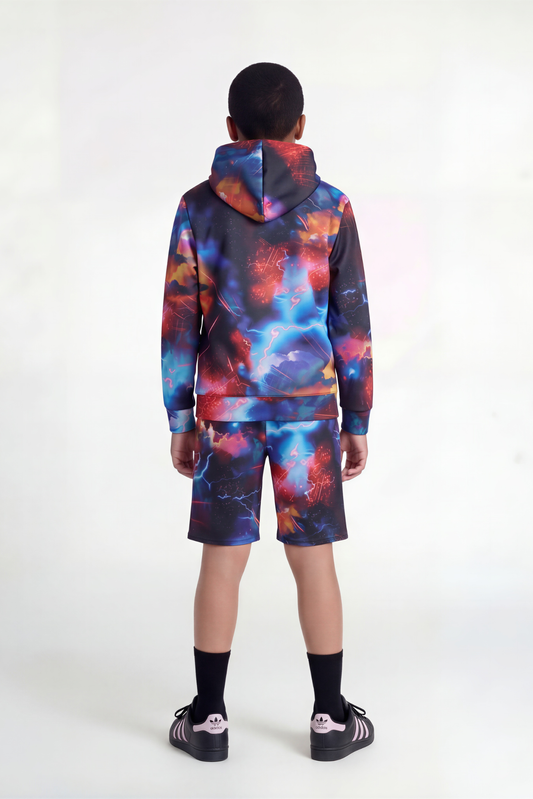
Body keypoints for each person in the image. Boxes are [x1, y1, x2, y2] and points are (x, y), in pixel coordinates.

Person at [161, 62, 374, 762]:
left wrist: (181, 418)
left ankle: (209, 719)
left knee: (222, 563)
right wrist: (356, 418)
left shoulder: (197, 207)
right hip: (308, 414)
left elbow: (178, 322)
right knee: (314, 562)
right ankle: (330, 718)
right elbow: (351, 322)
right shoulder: (331, 207)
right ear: (300, 129)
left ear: (231, 129)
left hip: (225, 410)